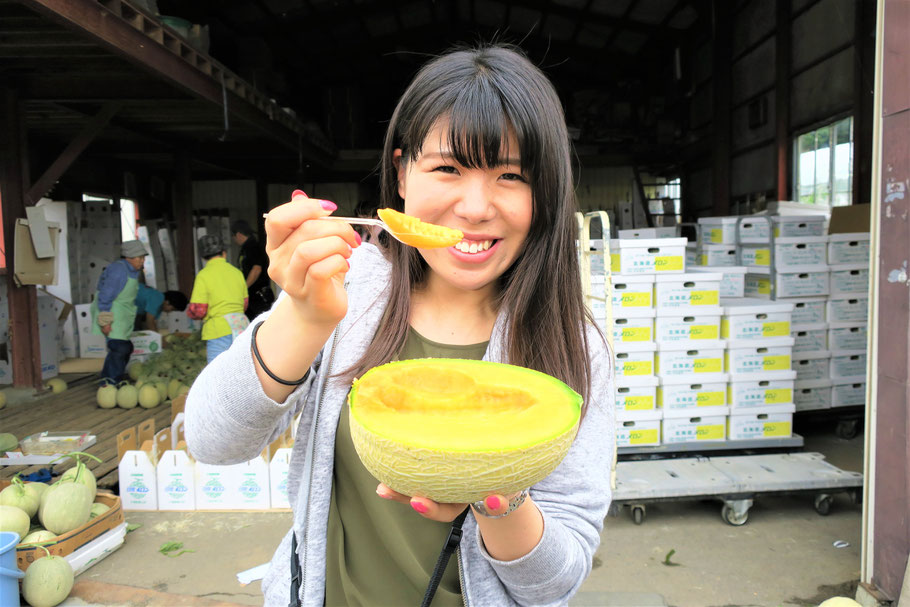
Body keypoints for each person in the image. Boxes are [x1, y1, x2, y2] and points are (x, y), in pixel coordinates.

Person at [185, 44, 614, 607]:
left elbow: (555, 583)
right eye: (447, 168)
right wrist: (305, 315)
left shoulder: (574, 345)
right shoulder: (346, 291)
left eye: (511, 174)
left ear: (546, 191)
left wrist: (497, 502)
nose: (475, 206)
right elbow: (212, 442)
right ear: (403, 174)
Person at [186, 234, 250, 363]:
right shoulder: (237, 272)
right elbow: (244, 303)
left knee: (219, 376)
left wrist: (191, 314)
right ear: (224, 253)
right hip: (241, 328)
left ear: (204, 258)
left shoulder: (204, 275)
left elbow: (199, 310)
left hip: (218, 330)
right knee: (240, 369)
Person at [92, 239, 148, 385]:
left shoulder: (132, 270)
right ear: (129, 257)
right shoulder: (118, 271)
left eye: (143, 258)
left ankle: (111, 378)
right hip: (111, 311)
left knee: (126, 347)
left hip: (122, 314)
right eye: (140, 258)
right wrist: (105, 321)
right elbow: (105, 297)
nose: (142, 261)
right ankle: (109, 383)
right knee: (119, 348)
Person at [231, 219, 275, 320]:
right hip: (253, 295)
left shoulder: (253, 247)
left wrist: (244, 288)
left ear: (238, 234)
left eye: (233, 236)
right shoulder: (247, 248)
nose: (234, 240)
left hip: (258, 295)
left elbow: (256, 269)